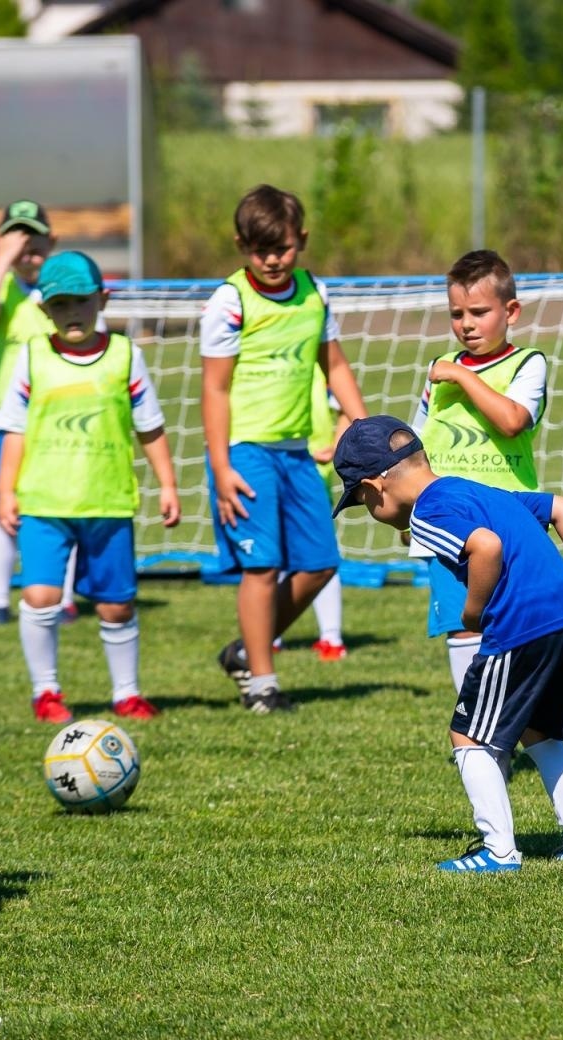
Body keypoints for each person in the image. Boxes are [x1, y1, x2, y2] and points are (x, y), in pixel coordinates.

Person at [333, 415, 563, 872]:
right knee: (537, 731)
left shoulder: (427, 512)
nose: (369, 511)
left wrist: (472, 611)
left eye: (361, 501)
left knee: (467, 733)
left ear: (376, 486)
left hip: (521, 627)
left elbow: (484, 547)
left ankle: (499, 851)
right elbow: (562, 507)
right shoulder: (478, 490)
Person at [0, 251, 180, 724]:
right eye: (60, 305)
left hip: (108, 501)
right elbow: (12, 428)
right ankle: (46, 692)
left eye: (81, 301)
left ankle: (127, 694)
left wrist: (168, 484)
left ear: (102, 299)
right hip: (44, 502)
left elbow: (150, 427)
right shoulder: (32, 358)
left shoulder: (124, 356)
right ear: (44, 310)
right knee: (39, 597)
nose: (71, 312)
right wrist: (5, 490)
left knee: (116, 606)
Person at [201, 184, 367, 713]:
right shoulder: (229, 302)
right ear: (240, 245)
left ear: (302, 240)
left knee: (320, 563)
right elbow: (215, 389)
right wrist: (222, 466)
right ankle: (262, 683)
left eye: (283, 248)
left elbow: (334, 364)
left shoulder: (313, 293)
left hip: (298, 451)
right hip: (246, 452)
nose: (272, 259)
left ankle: (246, 649)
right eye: (259, 249)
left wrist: (360, 426)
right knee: (262, 568)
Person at [409, 250, 547, 694]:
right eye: (457, 313)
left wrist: (464, 378)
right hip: (449, 519)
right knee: (463, 625)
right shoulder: (439, 373)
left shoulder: (528, 364)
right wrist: (411, 509)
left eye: (479, 312)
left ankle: (511, 720)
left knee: (511, 626)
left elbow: (511, 421)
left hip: (509, 517)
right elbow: (418, 444)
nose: (467, 323)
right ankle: (475, 729)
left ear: (511, 311)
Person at [0, 199, 79, 626]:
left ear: (52, 241)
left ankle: (63, 597)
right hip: (13, 422)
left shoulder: (63, 292)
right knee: (7, 508)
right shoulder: (5, 288)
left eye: (35, 243)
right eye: (19, 242)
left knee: (64, 506)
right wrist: (1, 261)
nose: (28, 253)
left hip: (61, 418)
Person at [305, 364, 349, 661]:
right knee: (270, 555)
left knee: (320, 551)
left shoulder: (319, 370)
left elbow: (347, 406)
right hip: (263, 469)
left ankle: (331, 638)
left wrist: (336, 445)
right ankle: (271, 637)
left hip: (312, 475)